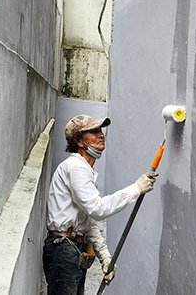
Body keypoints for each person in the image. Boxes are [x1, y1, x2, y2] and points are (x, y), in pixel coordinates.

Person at [42, 114, 158, 295]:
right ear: (79, 140)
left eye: (101, 130)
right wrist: (136, 188)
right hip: (64, 249)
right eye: (94, 131)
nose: (101, 134)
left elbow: (88, 222)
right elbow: (97, 209)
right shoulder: (76, 168)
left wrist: (104, 256)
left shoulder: (86, 171)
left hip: (72, 248)